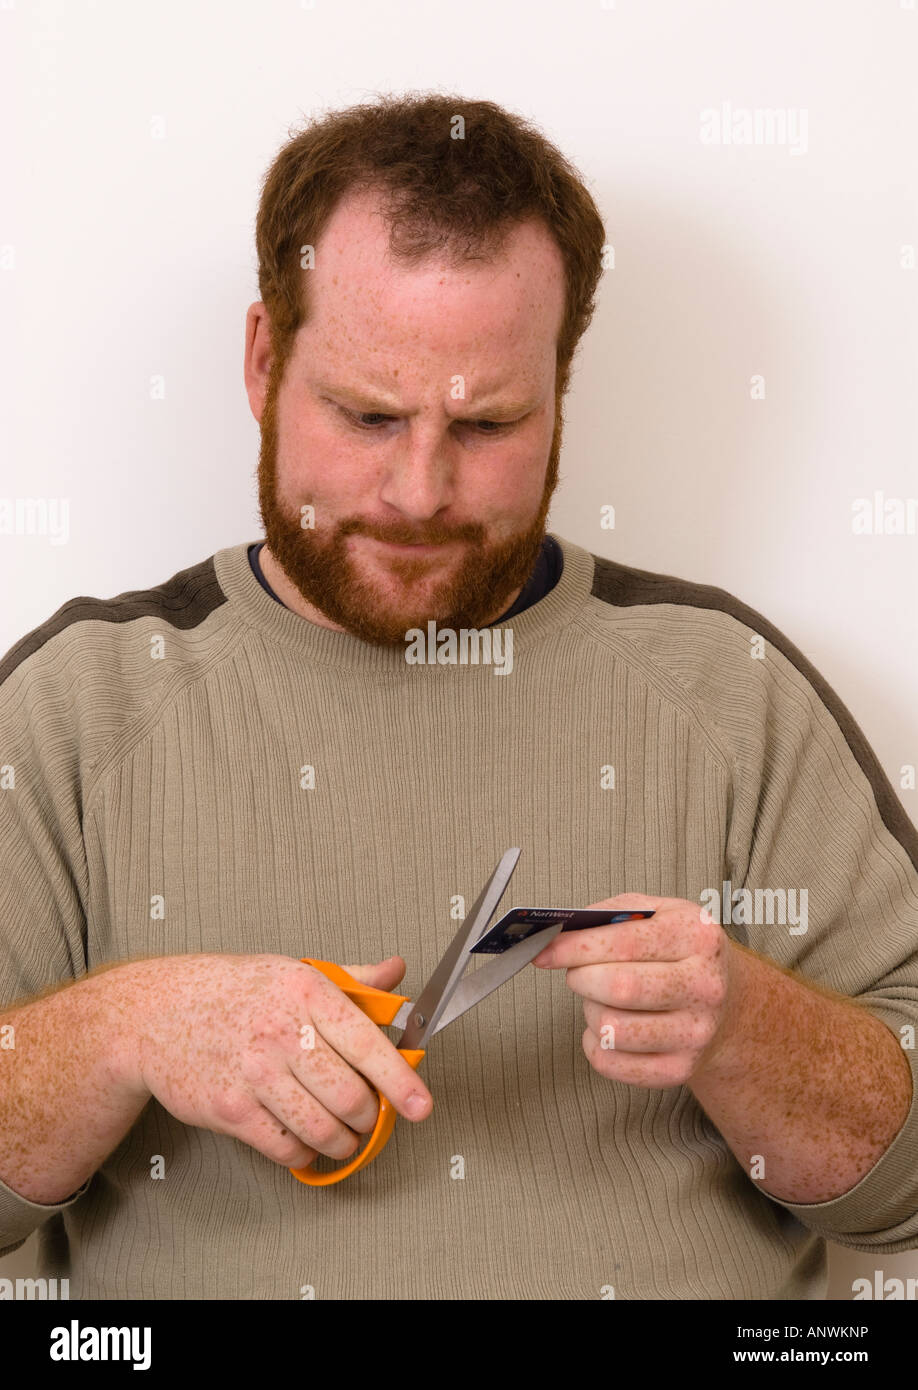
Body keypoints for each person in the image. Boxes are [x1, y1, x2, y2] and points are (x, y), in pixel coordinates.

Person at [0, 93, 915, 1301]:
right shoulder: (80, 706)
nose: (421, 490)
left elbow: (904, 1195)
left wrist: (746, 1027)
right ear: (265, 359)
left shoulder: (724, 688)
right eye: (367, 413)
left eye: (486, 422)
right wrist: (121, 1028)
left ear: (562, 388)